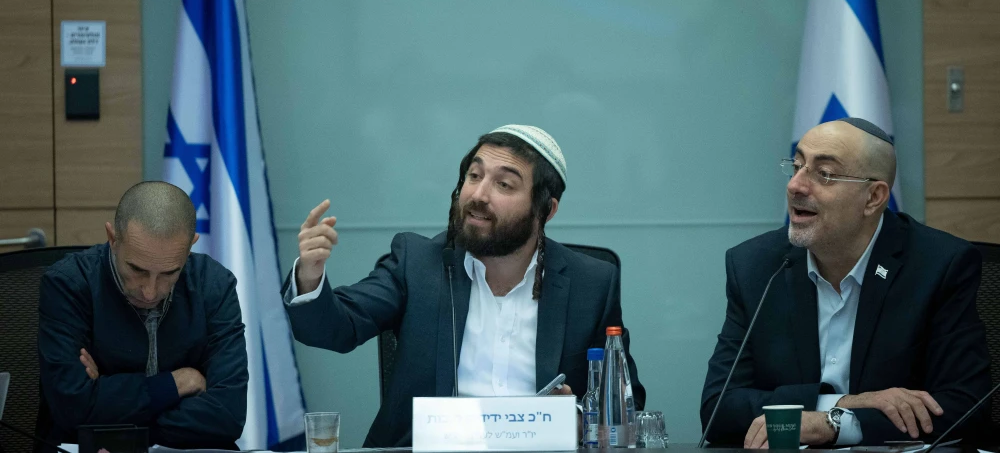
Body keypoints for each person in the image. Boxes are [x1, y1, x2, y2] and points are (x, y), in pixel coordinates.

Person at [284, 124, 645, 447]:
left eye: (504, 184)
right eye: (474, 177)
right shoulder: (418, 263)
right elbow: (335, 329)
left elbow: (626, 402)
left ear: (546, 210)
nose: (478, 195)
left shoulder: (590, 283)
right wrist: (311, 275)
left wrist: (582, 419)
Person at [700, 118, 991, 447]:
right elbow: (718, 410)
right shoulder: (757, 266)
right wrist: (840, 407)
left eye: (824, 174)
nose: (795, 185)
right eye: (796, 166)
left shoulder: (938, 265)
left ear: (873, 197)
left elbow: (966, 408)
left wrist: (835, 427)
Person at [37, 181, 248, 450]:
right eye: (137, 270)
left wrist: (108, 412)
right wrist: (176, 384)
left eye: (169, 273)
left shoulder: (215, 285)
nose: (150, 293)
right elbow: (71, 408)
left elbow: (227, 416)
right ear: (113, 239)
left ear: (190, 246)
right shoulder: (68, 284)